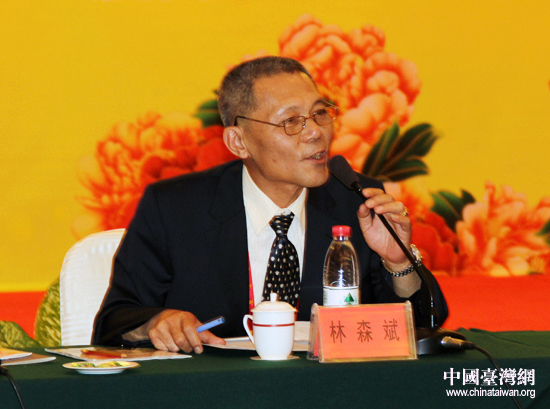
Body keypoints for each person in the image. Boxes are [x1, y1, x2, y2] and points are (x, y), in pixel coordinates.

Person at [93, 56, 448, 353]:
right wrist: (156, 322)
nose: (316, 132)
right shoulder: (175, 209)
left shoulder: (357, 201)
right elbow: (114, 321)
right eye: (291, 121)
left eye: (320, 113)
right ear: (239, 142)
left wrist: (398, 262)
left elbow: (424, 326)